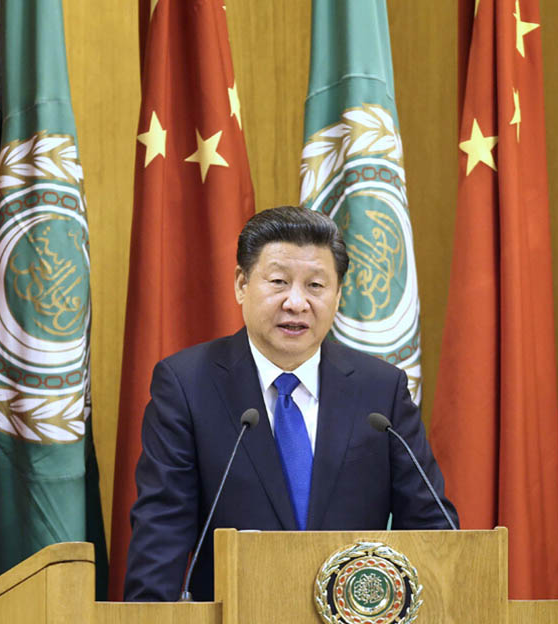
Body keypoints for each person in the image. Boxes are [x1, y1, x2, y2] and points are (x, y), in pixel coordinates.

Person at [124, 206, 458, 602]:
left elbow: (432, 528)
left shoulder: (380, 390)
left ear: (338, 295)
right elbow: (161, 531)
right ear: (241, 284)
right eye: (279, 282)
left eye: (315, 286)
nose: (296, 303)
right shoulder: (187, 384)